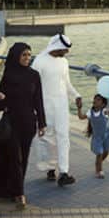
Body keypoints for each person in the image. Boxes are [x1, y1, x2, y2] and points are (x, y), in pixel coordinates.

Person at [0, 43, 46, 209]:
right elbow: (1, 105)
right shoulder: (8, 76)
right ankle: (20, 194)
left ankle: (14, 190)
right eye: (24, 55)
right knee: (15, 158)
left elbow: (38, 101)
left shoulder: (34, 75)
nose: (27, 58)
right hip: (11, 122)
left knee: (23, 158)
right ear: (16, 56)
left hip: (28, 123)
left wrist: (42, 123)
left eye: (29, 55)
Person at [32, 34, 82, 186]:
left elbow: (66, 83)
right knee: (47, 139)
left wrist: (76, 96)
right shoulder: (39, 61)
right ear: (56, 47)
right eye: (64, 49)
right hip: (44, 107)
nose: (66, 52)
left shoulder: (64, 62)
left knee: (63, 138)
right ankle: (50, 168)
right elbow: (32, 87)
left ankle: (64, 172)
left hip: (61, 106)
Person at [77, 94, 109, 179]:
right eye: (95, 99)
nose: (95, 101)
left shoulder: (104, 111)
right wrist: (79, 108)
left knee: (106, 152)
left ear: (103, 104)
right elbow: (81, 117)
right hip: (97, 137)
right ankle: (99, 171)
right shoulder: (90, 112)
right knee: (99, 153)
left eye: (98, 100)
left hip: (106, 135)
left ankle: (98, 163)